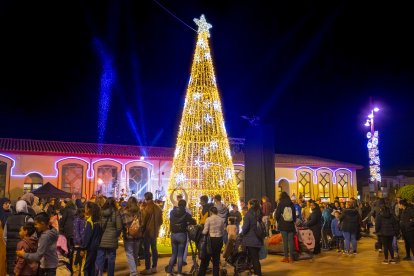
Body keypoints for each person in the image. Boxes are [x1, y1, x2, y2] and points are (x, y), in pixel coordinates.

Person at [166, 199, 196, 276]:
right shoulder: (186, 214)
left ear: (178, 204)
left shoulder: (172, 212)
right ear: (185, 205)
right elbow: (193, 221)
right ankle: (179, 272)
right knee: (180, 255)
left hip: (173, 234)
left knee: (173, 254)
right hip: (182, 234)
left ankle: (169, 271)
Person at [4, 199, 34, 275]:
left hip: (10, 248)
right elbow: (33, 236)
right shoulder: (28, 219)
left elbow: (4, 236)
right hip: (23, 249)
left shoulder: (9, 219)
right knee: (22, 269)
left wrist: (9, 244)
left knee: (12, 269)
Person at [95, 197, 122, 276]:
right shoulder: (116, 212)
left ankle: (99, 274)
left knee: (100, 258)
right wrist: (115, 235)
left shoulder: (101, 212)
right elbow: (119, 227)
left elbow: (98, 225)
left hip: (101, 238)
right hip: (112, 239)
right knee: (111, 259)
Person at [140, 192, 163, 275]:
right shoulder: (158, 208)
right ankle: (154, 267)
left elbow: (143, 222)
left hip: (147, 232)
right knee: (154, 249)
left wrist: (141, 230)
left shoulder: (145, 208)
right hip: (155, 232)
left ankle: (148, 268)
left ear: (146, 198)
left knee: (146, 250)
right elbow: (161, 221)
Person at [198, 206, 225, 276]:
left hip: (210, 240)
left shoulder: (208, 219)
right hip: (219, 240)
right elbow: (222, 231)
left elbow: (205, 231)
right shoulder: (221, 219)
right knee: (216, 260)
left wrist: (201, 233)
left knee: (205, 259)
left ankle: (201, 274)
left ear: (210, 212)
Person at [241, 199, 263, 275]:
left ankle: (257, 274)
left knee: (254, 259)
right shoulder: (259, 213)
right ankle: (257, 273)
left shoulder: (249, 214)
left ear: (251, 205)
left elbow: (245, 228)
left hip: (251, 240)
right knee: (255, 258)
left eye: (248, 204)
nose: (247, 205)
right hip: (258, 238)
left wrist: (242, 233)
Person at [121, 197, 142, 276]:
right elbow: (141, 223)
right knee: (135, 254)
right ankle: (134, 270)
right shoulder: (139, 211)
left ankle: (133, 273)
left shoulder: (125, 212)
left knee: (129, 254)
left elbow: (124, 224)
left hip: (128, 236)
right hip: (138, 235)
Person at [81, 201, 101, 276]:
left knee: (86, 268)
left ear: (89, 209)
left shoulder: (90, 221)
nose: (84, 209)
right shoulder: (98, 220)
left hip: (91, 247)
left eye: (85, 208)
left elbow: (87, 236)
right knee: (93, 266)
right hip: (97, 246)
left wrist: (83, 248)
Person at [275, 192, 296, 263]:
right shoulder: (291, 203)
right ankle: (291, 258)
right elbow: (294, 214)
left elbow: (277, 214)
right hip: (290, 225)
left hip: (283, 224)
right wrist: (294, 221)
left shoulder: (280, 203)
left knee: (285, 241)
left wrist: (278, 221)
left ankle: (286, 257)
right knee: (291, 241)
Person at [72, 207, 85, 276]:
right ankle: (77, 273)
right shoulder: (78, 220)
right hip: (79, 244)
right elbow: (76, 232)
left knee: (80, 260)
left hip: (79, 243)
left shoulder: (79, 219)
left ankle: (79, 272)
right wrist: (81, 242)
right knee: (77, 260)